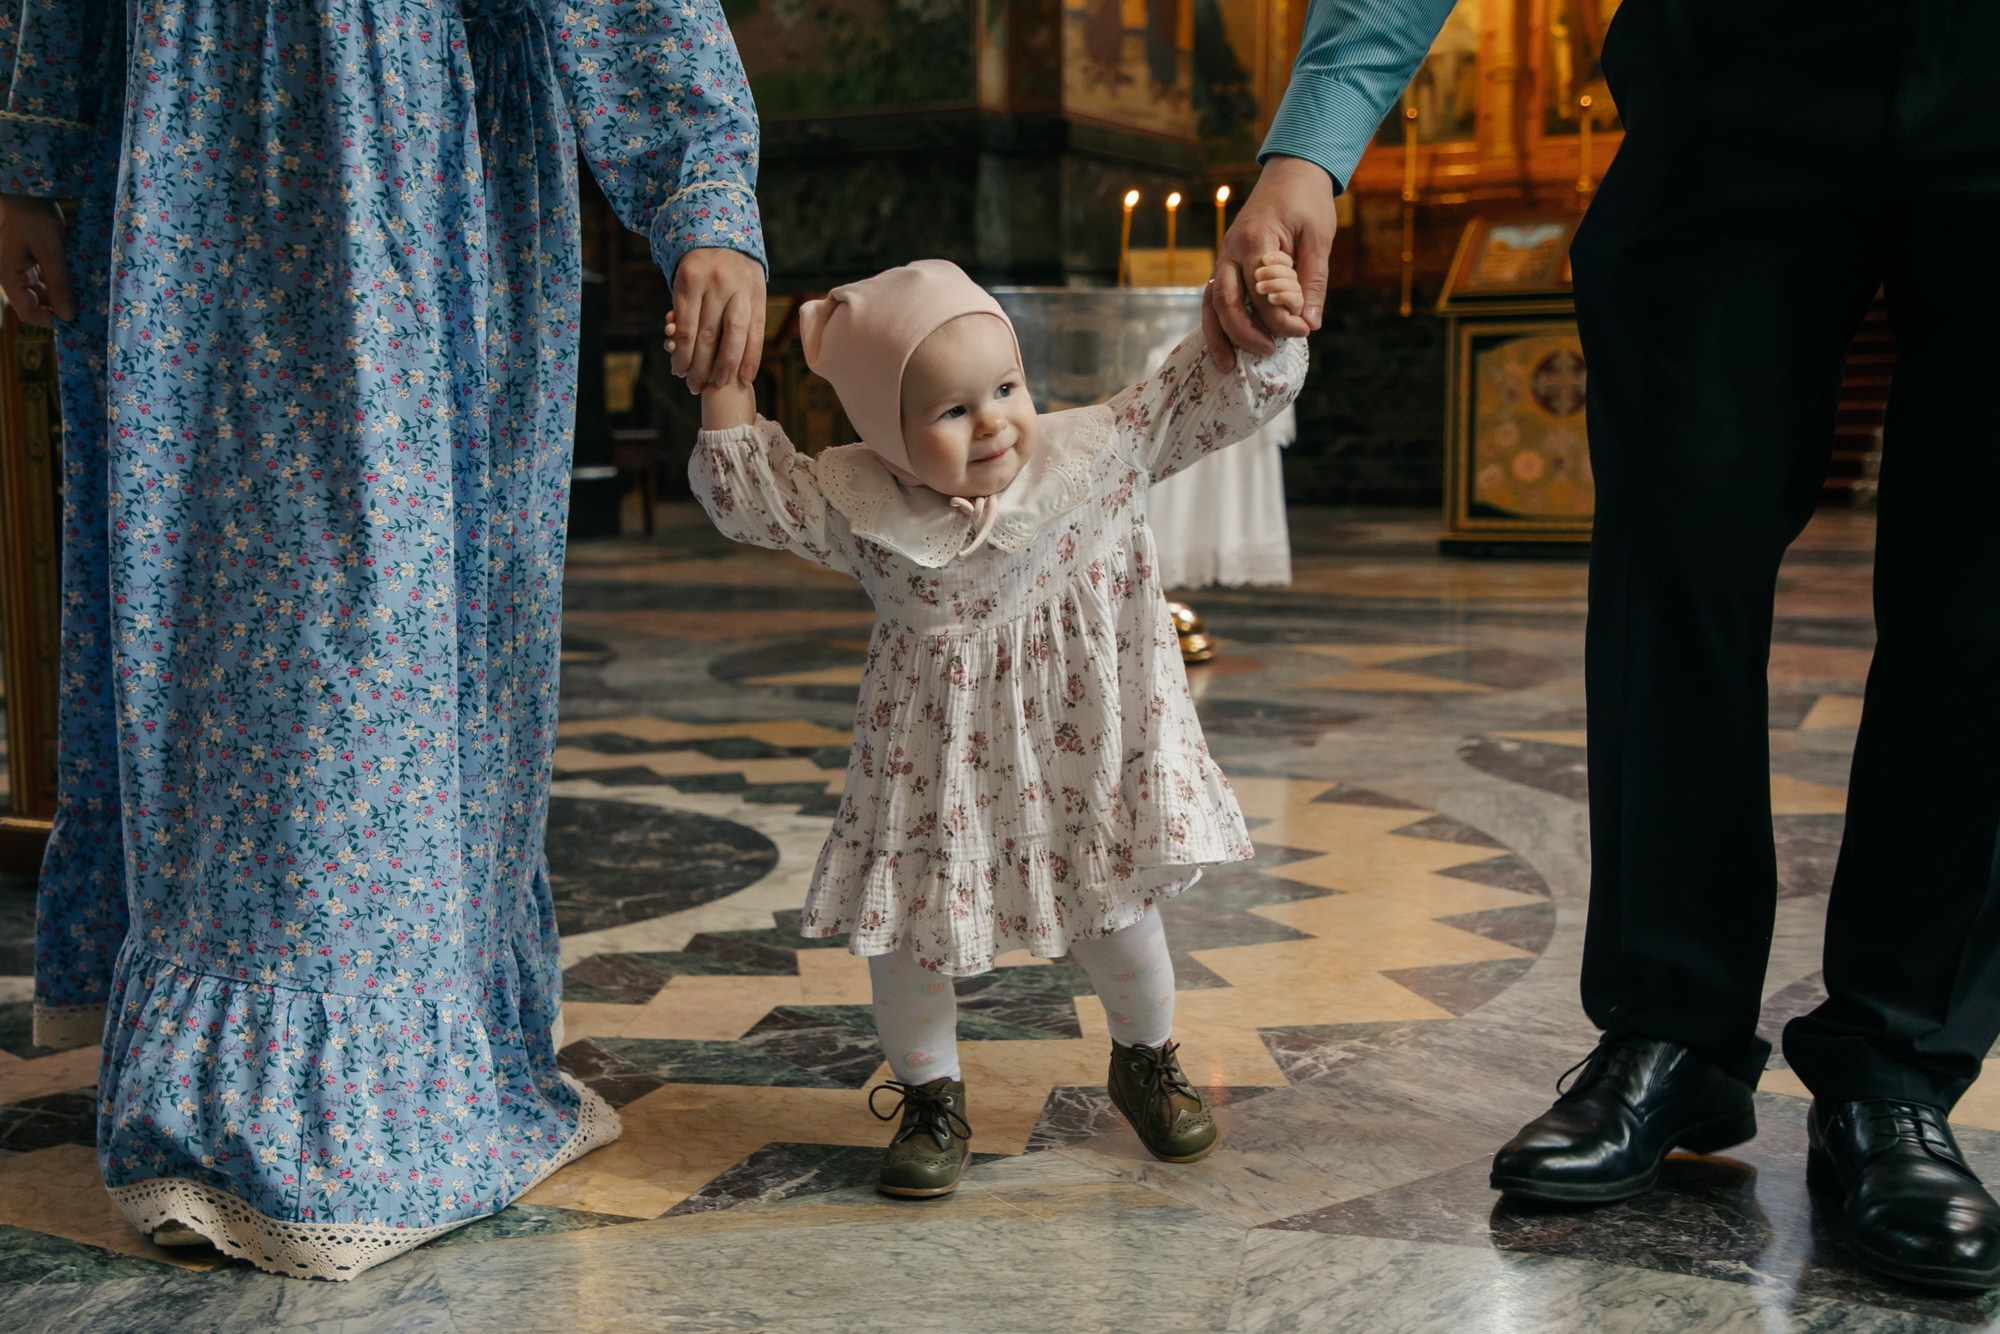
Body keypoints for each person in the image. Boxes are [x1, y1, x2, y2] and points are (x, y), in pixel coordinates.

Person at [1211, 0, 2000, 1291]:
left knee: (1983, 597)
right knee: (1675, 547)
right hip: (1733, 77)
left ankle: (1900, 1065)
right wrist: (1314, 141)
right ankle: (1672, 1031)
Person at [0, 0, 766, 1280]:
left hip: (396, 170)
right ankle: (210, 1102)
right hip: (179, 155)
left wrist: (701, 185)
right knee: (196, 629)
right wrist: (32, 144)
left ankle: (361, 1097)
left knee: (368, 643)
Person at [676, 256, 1306, 1196]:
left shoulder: (1092, 455)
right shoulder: (864, 508)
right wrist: (725, 387)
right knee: (910, 944)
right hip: (935, 779)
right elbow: (752, 498)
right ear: (885, 433)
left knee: (1121, 918)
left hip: (1078, 759)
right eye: (951, 410)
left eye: (1005, 387)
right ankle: (929, 1097)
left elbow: (1204, 396)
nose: (995, 421)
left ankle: (1146, 1060)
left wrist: (1271, 323)